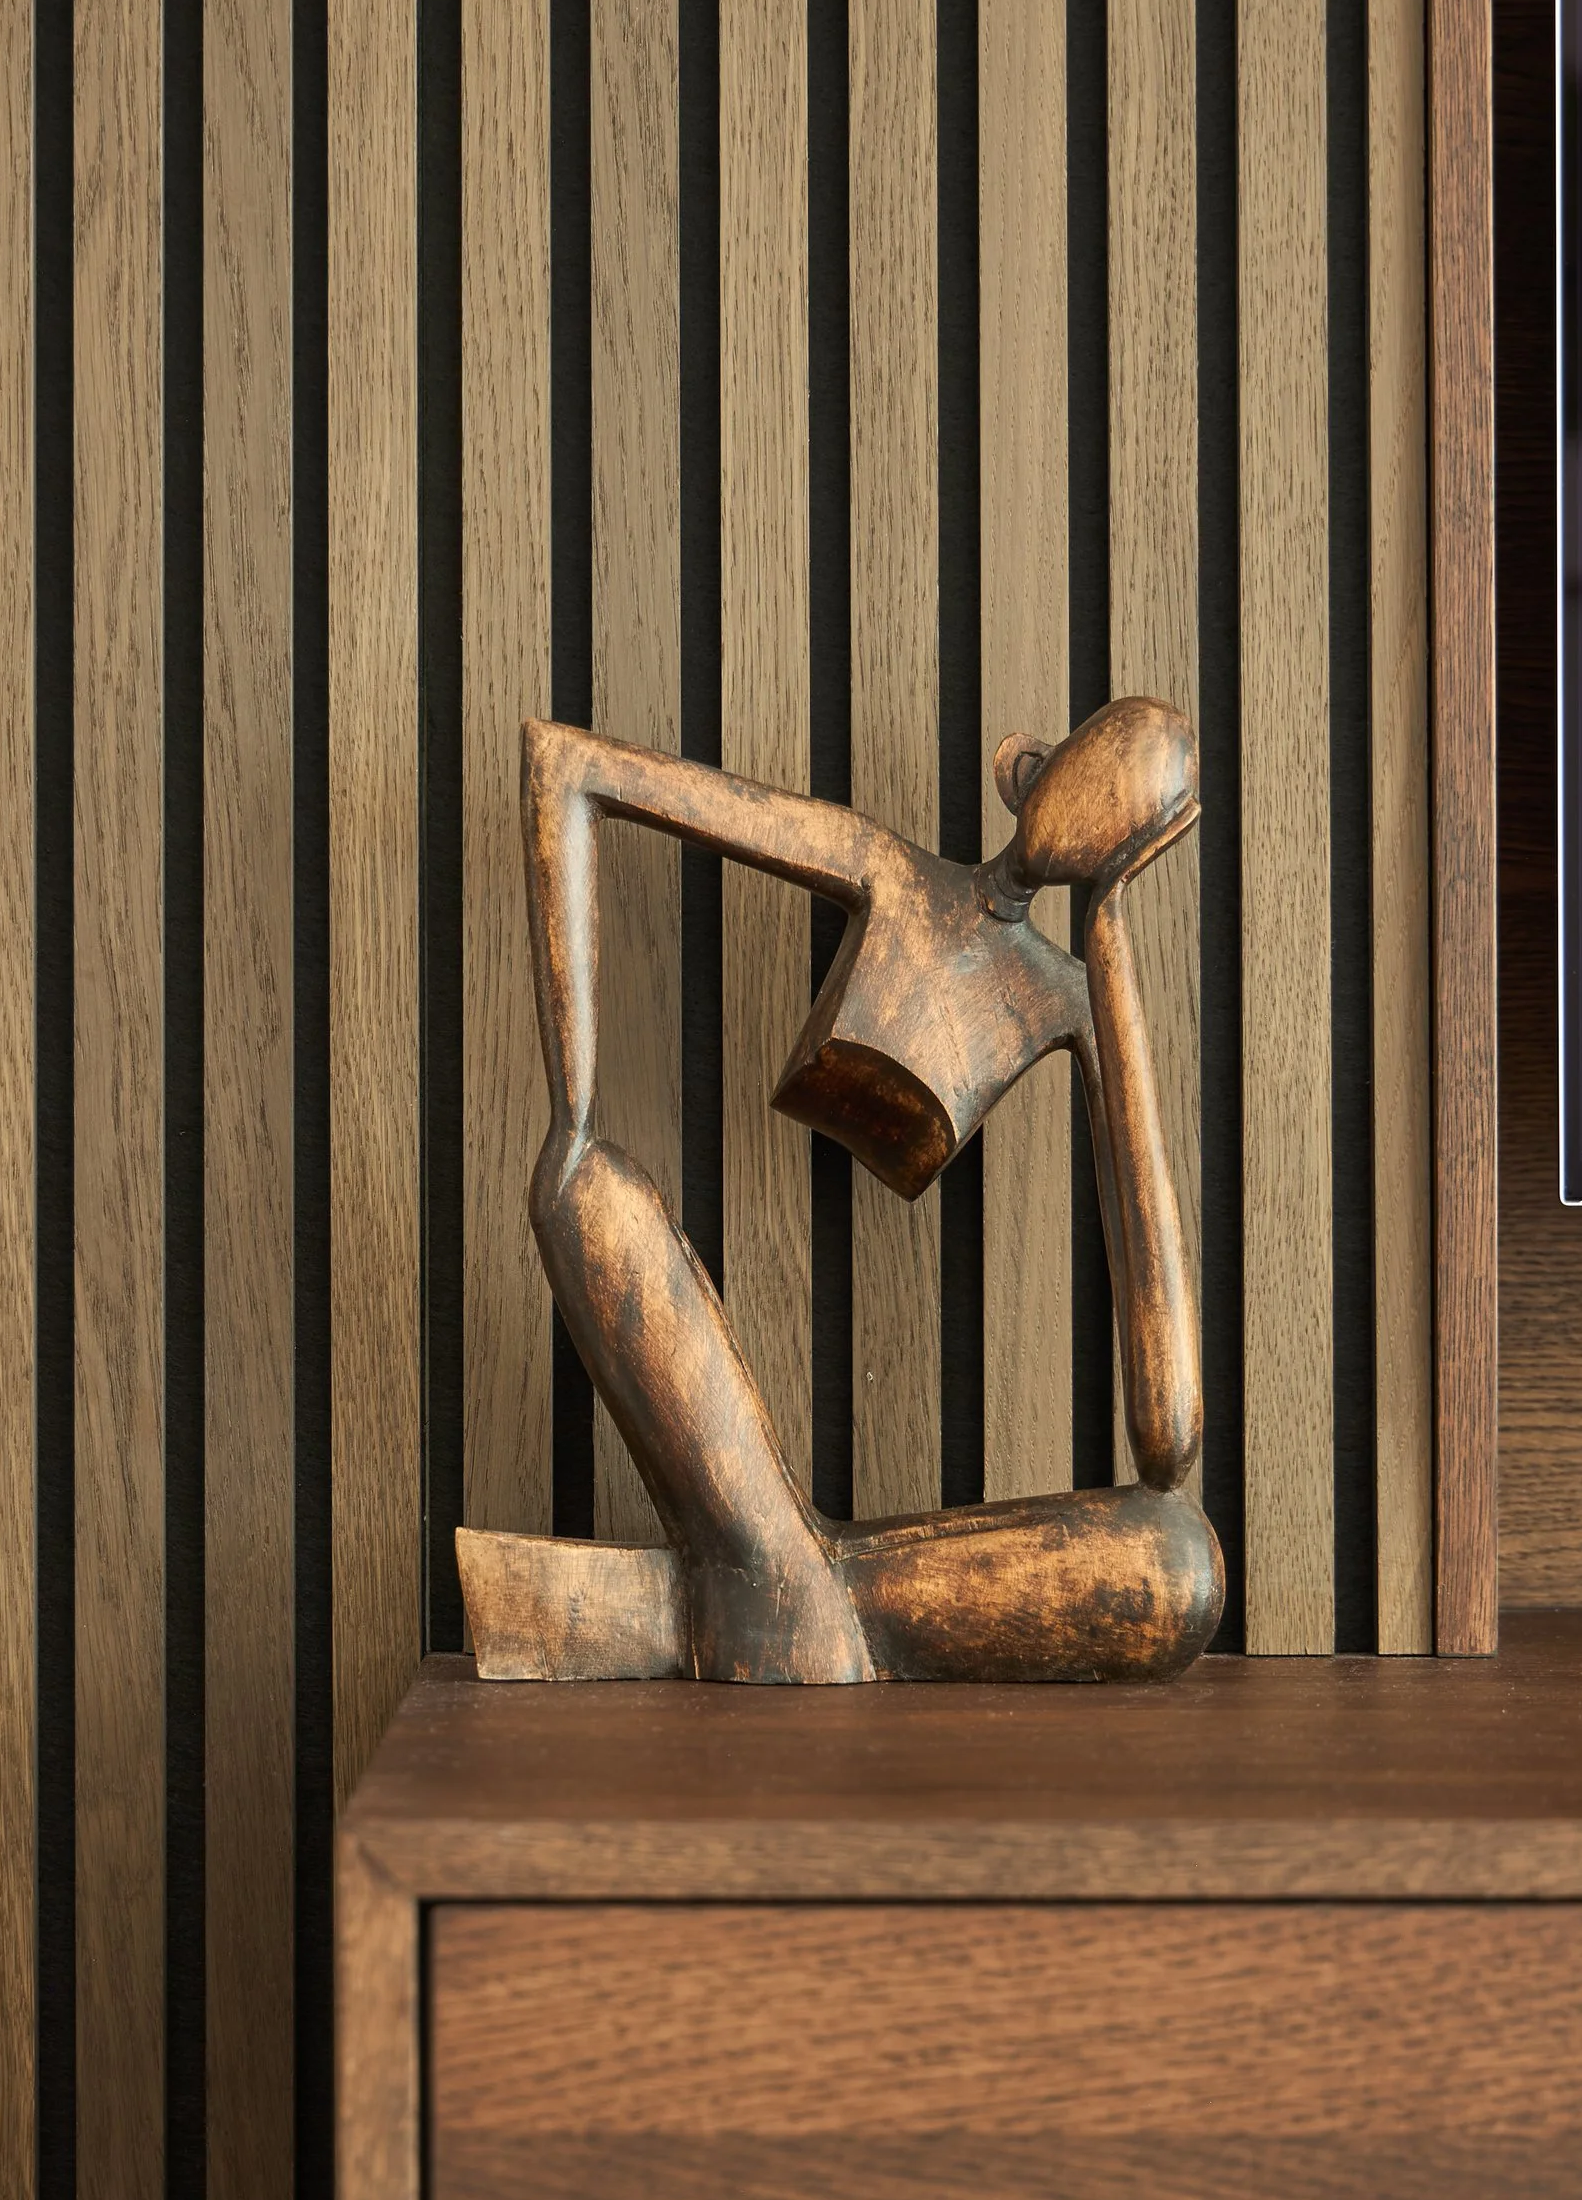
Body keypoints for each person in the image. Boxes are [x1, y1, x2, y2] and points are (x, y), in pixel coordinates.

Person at [456, 695, 1223, 1685]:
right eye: (1101, 772)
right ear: (1023, 765)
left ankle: (772, 1590)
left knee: (1179, 1560)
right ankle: (793, 1591)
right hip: (622, 1233)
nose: (1101, 817)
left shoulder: (1069, 998)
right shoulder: (885, 866)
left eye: (1131, 818)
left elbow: (1169, 1443)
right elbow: (568, 766)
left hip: (808, 1566)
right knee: (582, 1187)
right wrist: (576, 1098)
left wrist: (1110, 936)